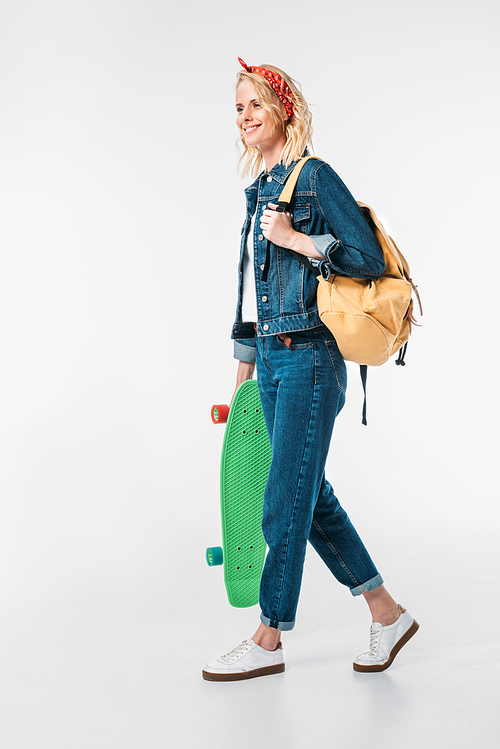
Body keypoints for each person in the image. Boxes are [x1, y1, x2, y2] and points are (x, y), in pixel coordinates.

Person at [202, 59, 419, 682]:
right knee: (306, 492)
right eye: (238, 109)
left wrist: (301, 240)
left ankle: (268, 637)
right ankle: (386, 611)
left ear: (283, 112)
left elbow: (367, 256)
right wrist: (244, 367)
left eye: (255, 107)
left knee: (282, 502)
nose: (244, 118)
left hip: (311, 363)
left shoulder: (314, 178)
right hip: (272, 359)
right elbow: (252, 290)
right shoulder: (259, 190)